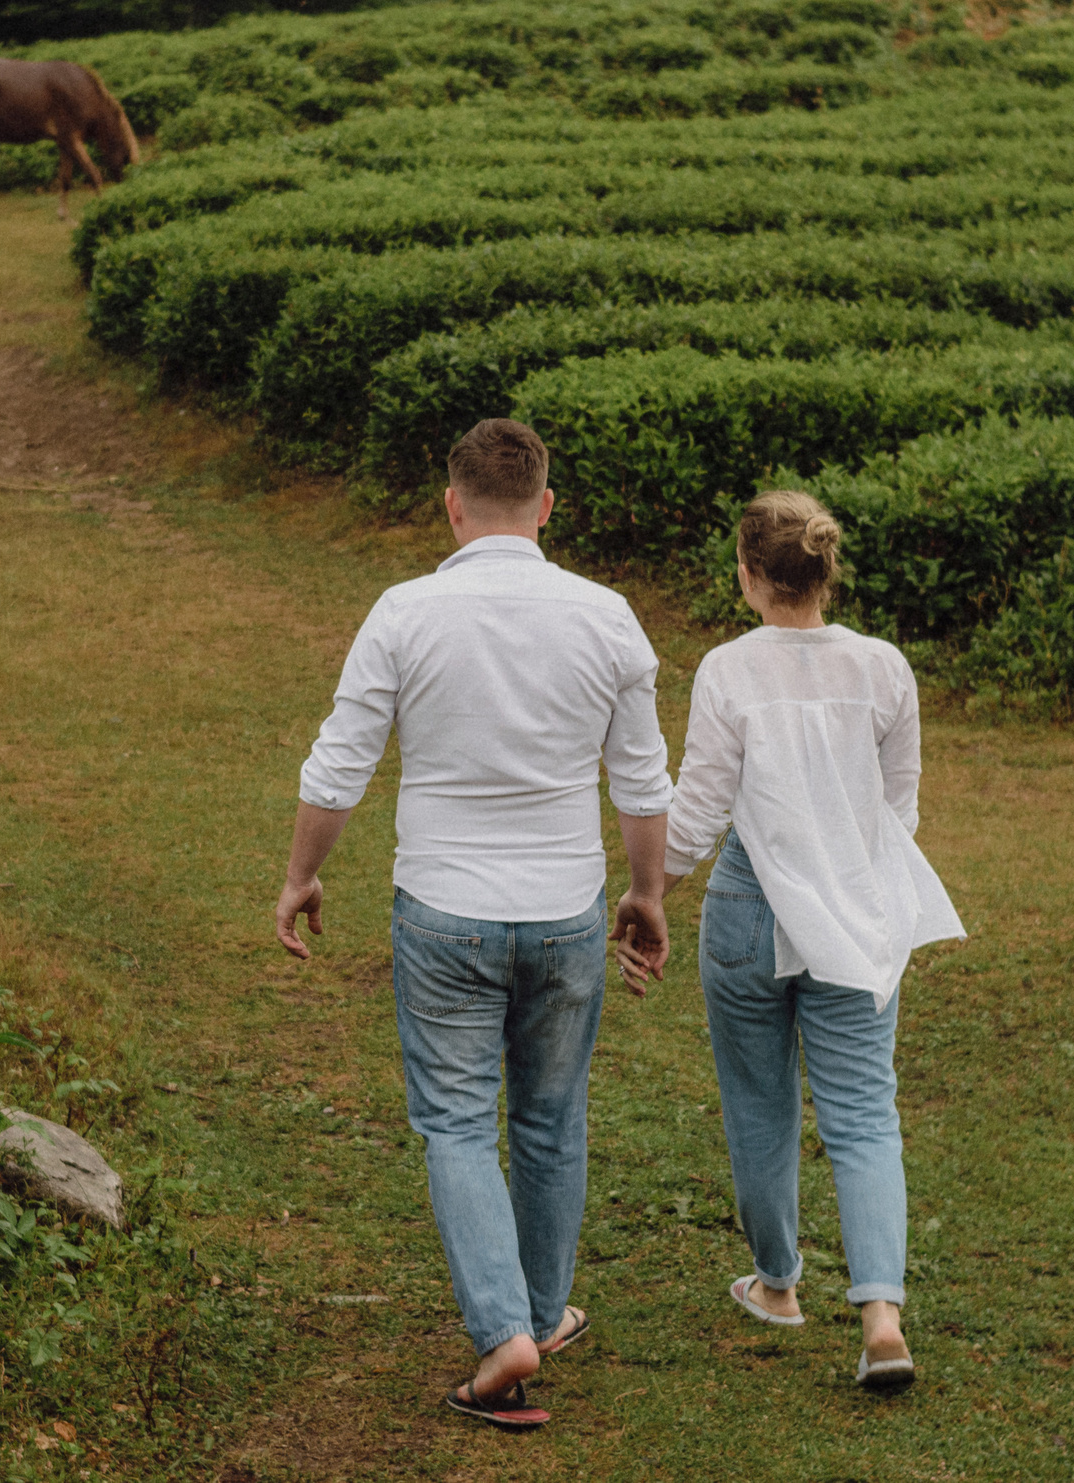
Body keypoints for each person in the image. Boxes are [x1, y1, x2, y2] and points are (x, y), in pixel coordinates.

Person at [272, 418, 673, 1431]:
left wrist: (302, 876)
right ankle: (538, 1310)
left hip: (444, 909)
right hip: (566, 910)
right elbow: (640, 780)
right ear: (546, 507)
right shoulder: (607, 615)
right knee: (550, 1116)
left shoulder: (405, 611)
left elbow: (340, 761)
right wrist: (647, 894)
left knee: (455, 1121)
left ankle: (505, 1334)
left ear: (452, 505)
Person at [638, 489, 965, 1392]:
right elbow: (898, 807)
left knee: (759, 1104)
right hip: (859, 907)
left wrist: (644, 895)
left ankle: (778, 1285)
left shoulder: (728, 669)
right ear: (825, 572)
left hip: (749, 906)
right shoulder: (884, 666)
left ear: (749, 574)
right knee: (863, 1112)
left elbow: (697, 816)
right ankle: (882, 1318)